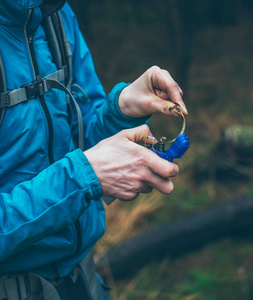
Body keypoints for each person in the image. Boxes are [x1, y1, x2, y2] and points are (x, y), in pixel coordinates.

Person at [0, 0, 188, 299]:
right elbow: (85, 169)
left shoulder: (55, 15)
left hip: (83, 281)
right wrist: (80, 178)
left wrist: (122, 111)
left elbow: (82, 143)